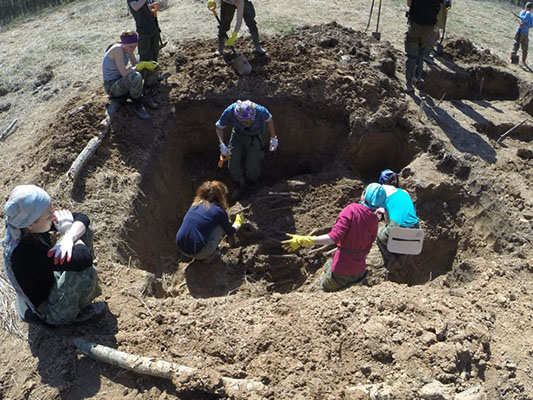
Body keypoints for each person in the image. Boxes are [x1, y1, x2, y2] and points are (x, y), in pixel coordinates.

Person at [2, 185, 104, 326]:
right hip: (49, 311)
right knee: (85, 272)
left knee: (83, 230)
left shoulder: (24, 226)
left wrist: (69, 237)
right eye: (49, 215)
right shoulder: (28, 253)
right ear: (31, 224)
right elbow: (84, 259)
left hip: (47, 278)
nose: (53, 215)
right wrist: (68, 231)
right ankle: (72, 315)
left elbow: (81, 218)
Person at [282, 183, 386, 292]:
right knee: (328, 265)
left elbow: (332, 238)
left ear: (364, 195)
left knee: (319, 289)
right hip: (360, 272)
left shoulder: (351, 210)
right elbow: (367, 248)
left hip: (342, 271)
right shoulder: (374, 220)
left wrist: (303, 240)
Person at [216, 100, 278, 199]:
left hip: (255, 136)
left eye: (248, 120)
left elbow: (269, 119)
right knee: (233, 162)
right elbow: (219, 126)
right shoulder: (230, 110)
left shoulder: (260, 110)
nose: (246, 122)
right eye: (243, 121)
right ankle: (239, 184)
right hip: (238, 135)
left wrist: (273, 138)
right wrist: (222, 145)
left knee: (253, 164)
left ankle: (253, 184)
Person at [176, 181, 244, 262]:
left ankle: (186, 255)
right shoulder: (218, 211)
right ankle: (208, 256)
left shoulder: (195, 205)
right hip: (199, 252)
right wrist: (238, 223)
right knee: (220, 226)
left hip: (180, 247)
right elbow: (230, 231)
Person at [102, 31, 158, 120]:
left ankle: (146, 94)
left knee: (147, 68)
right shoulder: (117, 50)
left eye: (135, 46)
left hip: (120, 80)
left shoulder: (128, 49)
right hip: (112, 87)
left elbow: (135, 64)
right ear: (124, 44)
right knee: (135, 76)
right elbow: (124, 72)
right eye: (131, 46)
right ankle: (137, 104)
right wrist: (139, 66)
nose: (133, 49)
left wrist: (146, 64)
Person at [375, 169, 420, 267]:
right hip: (417, 233)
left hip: (397, 232)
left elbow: (388, 220)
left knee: (377, 232)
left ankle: (391, 258)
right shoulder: (405, 192)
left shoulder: (383, 190)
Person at [127, 0, 163, 97]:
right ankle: (142, 84)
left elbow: (150, 6)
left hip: (153, 26)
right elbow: (135, 6)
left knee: (154, 53)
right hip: (143, 30)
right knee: (145, 56)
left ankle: (154, 78)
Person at [404, 0, 442, 93]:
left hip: (415, 24)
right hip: (429, 26)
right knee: (421, 51)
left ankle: (409, 85)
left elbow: (409, 3)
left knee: (411, 55)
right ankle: (418, 77)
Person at [424, 0, 451, 65]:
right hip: (436, 6)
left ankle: (425, 51)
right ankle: (425, 54)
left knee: (435, 33)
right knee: (434, 32)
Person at [510, 2, 533, 66]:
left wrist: (527, 22)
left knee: (525, 48)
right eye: (527, 8)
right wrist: (527, 15)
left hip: (526, 33)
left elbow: (531, 25)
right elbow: (522, 20)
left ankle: (523, 61)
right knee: (516, 45)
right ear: (525, 7)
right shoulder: (522, 13)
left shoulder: (531, 16)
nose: (528, 9)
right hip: (520, 31)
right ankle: (512, 58)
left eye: (530, 8)